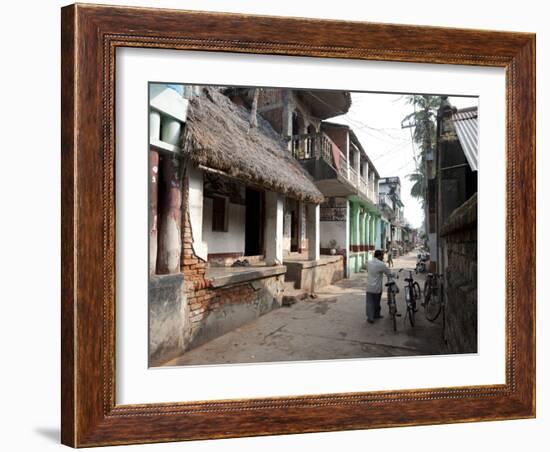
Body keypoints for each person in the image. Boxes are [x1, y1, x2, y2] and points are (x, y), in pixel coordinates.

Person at [366, 249, 395, 324]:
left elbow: (368, 271)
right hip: (377, 287)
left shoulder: (369, 262)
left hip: (369, 286)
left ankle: (370, 317)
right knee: (376, 302)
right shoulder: (381, 264)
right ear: (379, 256)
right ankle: (376, 315)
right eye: (382, 255)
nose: (383, 257)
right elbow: (389, 273)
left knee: (369, 303)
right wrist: (395, 275)